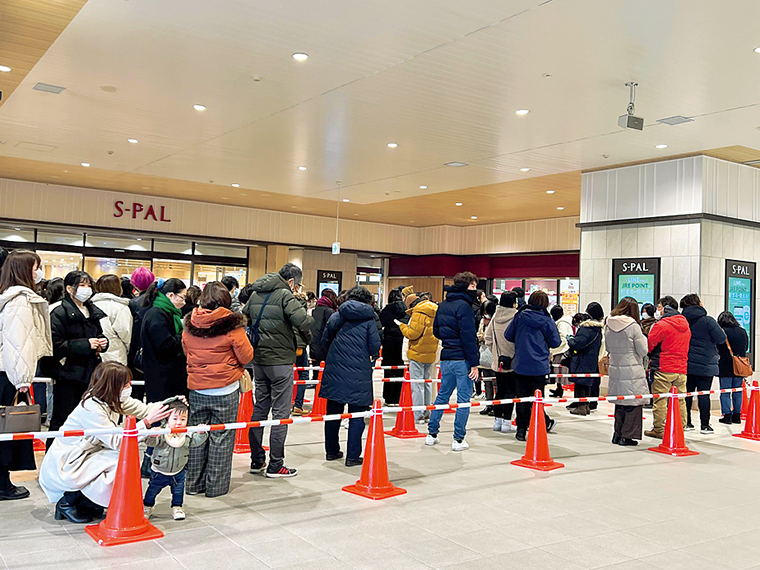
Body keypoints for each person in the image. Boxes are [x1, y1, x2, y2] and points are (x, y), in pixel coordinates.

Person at [39, 362, 172, 523]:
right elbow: (117, 441)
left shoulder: (114, 400)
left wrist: (173, 404)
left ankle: (88, 502)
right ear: (113, 385)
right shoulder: (91, 407)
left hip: (89, 453)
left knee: (121, 460)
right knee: (118, 464)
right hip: (70, 459)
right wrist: (146, 423)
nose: (129, 387)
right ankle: (68, 501)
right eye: (125, 384)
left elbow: (145, 409)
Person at [182, 281, 253, 496]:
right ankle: (216, 488)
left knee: (197, 436)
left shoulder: (189, 323)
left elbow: (186, 350)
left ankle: (193, 484)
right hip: (225, 388)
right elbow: (247, 356)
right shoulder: (232, 325)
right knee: (221, 438)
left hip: (197, 387)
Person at [243, 263, 312, 478]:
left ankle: (256, 460)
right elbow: (304, 321)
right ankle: (276, 464)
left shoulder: (255, 293)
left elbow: (244, 317)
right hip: (281, 361)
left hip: (259, 360)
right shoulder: (284, 295)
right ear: (291, 281)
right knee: (281, 414)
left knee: (260, 409)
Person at [0, 250, 53, 500]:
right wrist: (22, 379)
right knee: (8, 430)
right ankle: (3, 484)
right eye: (35, 267)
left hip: (5, 373)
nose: (38, 272)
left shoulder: (9, 296)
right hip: (9, 376)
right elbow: (17, 343)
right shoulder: (20, 299)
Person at [319, 286, 381, 466]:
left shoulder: (337, 315)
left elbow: (325, 341)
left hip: (335, 371)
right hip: (359, 373)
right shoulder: (370, 319)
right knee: (357, 416)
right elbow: (374, 347)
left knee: (332, 415)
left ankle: (331, 451)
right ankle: (353, 456)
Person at [49, 271, 109, 446]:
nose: (87, 289)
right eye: (82, 285)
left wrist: (103, 342)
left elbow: (99, 334)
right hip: (67, 374)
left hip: (90, 374)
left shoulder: (92, 311)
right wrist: (85, 344)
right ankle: (53, 459)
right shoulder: (59, 312)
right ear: (69, 288)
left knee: (86, 420)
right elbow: (54, 345)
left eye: (89, 285)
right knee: (62, 420)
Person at [426, 271, 480, 451]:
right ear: (465, 286)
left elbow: (436, 331)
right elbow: (468, 337)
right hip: (462, 359)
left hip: (446, 357)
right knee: (463, 400)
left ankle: (431, 434)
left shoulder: (442, 305)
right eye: (473, 286)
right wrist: (474, 363)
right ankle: (458, 439)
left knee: (442, 395)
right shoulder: (464, 307)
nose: (475, 289)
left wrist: (449, 340)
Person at [505, 290, 560, 442]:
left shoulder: (520, 316)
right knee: (537, 399)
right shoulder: (547, 321)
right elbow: (556, 342)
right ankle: (537, 427)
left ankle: (521, 430)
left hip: (521, 364)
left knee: (521, 398)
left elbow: (508, 335)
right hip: (539, 366)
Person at [143, 399, 208, 520]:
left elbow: (195, 442)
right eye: (175, 419)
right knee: (152, 491)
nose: (179, 422)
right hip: (159, 471)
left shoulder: (187, 435)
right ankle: (147, 506)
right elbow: (152, 443)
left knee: (178, 492)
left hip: (179, 472)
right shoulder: (162, 433)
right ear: (167, 419)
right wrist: (152, 435)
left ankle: (177, 507)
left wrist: (201, 433)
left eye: (183, 419)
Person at [645, 296, 691, 439]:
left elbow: (650, 345)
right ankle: (681, 426)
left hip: (663, 367)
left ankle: (659, 428)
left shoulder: (661, 325)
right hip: (681, 368)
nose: (657, 310)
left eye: (659, 307)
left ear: (665, 308)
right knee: (680, 400)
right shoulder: (685, 325)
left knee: (660, 400)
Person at [681, 294, 726, 434]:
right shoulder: (708, 321)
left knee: (687, 394)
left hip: (686, 362)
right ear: (698, 303)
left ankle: (687, 422)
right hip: (706, 364)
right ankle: (705, 425)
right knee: (704, 394)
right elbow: (721, 338)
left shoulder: (681, 321)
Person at [605, 297, 648, 445]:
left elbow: (608, 348)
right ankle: (627, 436)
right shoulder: (633, 326)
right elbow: (643, 350)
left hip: (615, 367)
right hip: (632, 368)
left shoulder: (608, 324)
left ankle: (617, 434)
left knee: (620, 402)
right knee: (633, 403)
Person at [140, 278, 188, 403]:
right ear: (171, 295)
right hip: (161, 376)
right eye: (182, 297)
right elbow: (165, 345)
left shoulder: (169, 313)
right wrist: (185, 336)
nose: (184, 302)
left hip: (166, 374)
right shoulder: (157, 315)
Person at [398, 292, 438, 424]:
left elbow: (413, 333)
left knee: (417, 385)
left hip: (417, 352)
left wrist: (402, 326)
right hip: (430, 352)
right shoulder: (434, 311)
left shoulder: (418, 313)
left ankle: (418, 414)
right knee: (427, 383)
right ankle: (427, 412)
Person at [485, 291, 517, 433]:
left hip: (498, 361)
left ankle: (497, 422)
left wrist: (495, 353)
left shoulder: (495, 317)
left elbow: (488, 338)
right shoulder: (516, 317)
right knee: (510, 392)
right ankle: (507, 422)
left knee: (500, 391)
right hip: (513, 361)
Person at [566, 302, 605, 416]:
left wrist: (570, 340)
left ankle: (581, 407)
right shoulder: (598, 329)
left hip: (581, 359)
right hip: (592, 360)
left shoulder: (586, 328)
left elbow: (578, 343)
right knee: (587, 383)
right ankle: (586, 405)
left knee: (580, 383)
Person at [127, 267, 156, 402]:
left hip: (137, 353)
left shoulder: (133, 303)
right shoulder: (160, 301)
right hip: (157, 351)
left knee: (136, 395)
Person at [91, 274, 132, 365]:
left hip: (93, 356)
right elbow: (125, 333)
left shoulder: (89, 305)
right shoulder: (119, 307)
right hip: (115, 357)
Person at [717, 311, 748, 425]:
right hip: (739, 366)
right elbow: (746, 347)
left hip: (725, 366)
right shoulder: (742, 331)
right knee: (737, 391)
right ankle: (737, 415)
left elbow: (718, 347)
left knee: (725, 391)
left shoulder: (722, 332)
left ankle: (727, 415)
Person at [379, 289, 408, 405]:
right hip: (402, 341)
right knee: (401, 370)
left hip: (389, 343)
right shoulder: (406, 310)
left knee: (389, 371)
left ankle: (389, 398)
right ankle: (399, 397)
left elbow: (381, 323)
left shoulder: (386, 310)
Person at [291, 290, 311, 415]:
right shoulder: (303, 315)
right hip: (300, 347)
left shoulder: (286, 312)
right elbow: (307, 332)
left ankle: (288, 404)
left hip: (287, 347)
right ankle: (298, 405)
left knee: (288, 376)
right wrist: (308, 341)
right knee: (303, 375)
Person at [549, 305, 574, 398]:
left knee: (559, 371)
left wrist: (553, 348)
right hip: (563, 350)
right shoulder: (565, 322)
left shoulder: (561, 323)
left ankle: (559, 390)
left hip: (561, 351)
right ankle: (558, 389)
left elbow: (562, 338)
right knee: (559, 372)